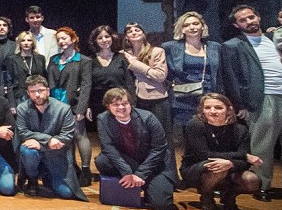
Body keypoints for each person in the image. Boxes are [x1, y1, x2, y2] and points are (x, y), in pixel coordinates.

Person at [222, 5, 282, 207]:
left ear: (259, 17)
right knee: (262, 146)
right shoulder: (233, 45)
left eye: (251, 17)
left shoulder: (278, 36)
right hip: (263, 97)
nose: (249, 21)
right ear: (237, 25)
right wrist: (239, 105)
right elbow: (231, 78)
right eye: (243, 20)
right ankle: (261, 185)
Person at [181, 94, 263, 210]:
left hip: (229, 169)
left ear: (229, 109)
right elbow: (204, 154)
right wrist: (243, 155)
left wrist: (231, 163)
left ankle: (229, 198)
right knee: (217, 167)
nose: (212, 111)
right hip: (197, 169)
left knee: (252, 181)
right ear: (202, 110)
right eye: (207, 107)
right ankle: (207, 197)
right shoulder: (195, 125)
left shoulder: (240, 129)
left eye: (218, 108)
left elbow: (245, 164)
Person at [94, 88, 176, 210]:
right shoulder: (103, 119)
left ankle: (146, 185)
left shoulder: (148, 117)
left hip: (154, 165)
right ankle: (131, 182)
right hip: (130, 161)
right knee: (102, 160)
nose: (121, 107)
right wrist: (127, 172)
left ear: (130, 104)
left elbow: (159, 149)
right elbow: (108, 147)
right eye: (116, 104)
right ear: (108, 107)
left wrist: (140, 174)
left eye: (125, 103)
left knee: (162, 205)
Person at [15, 75, 87, 201]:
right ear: (28, 93)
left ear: (48, 90)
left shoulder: (63, 109)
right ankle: (33, 180)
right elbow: (23, 132)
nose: (37, 95)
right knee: (27, 149)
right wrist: (48, 140)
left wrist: (42, 144)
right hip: (35, 151)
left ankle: (48, 175)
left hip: (56, 154)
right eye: (33, 91)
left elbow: (67, 136)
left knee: (66, 193)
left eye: (40, 90)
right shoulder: (22, 108)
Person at [46, 27, 93, 185]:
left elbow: (86, 85)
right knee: (65, 138)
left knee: (79, 135)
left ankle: (86, 170)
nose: (61, 41)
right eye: (58, 39)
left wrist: (81, 108)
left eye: (64, 38)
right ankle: (72, 167)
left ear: (73, 39)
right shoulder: (53, 59)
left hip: (73, 103)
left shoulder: (83, 60)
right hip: (55, 103)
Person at [161, 11, 224, 128]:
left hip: (210, 99)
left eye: (195, 23)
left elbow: (222, 74)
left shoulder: (215, 47)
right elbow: (164, 73)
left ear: (202, 26)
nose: (192, 27)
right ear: (182, 29)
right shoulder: (170, 47)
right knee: (182, 139)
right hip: (182, 101)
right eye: (186, 25)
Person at [121, 23, 172, 158]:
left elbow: (160, 76)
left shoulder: (157, 51)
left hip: (157, 99)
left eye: (137, 30)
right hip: (134, 100)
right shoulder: (123, 55)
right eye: (129, 31)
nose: (133, 32)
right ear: (126, 37)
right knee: (140, 139)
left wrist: (136, 64)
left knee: (162, 138)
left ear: (144, 34)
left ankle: (167, 174)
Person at [86, 25, 134, 123]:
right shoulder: (89, 61)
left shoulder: (121, 57)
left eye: (107, 36)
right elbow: (87, 86)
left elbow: (130, 83)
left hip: (120, 105)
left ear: (112, 38)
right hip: (97, 105)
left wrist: (132, 104)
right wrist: (87, 106)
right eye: (100, 38)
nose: (104, 40)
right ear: (95, 41)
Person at [0, 32, 47, 110]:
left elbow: (45, 79)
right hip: (20, 97)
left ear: (33, 43)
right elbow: (9, 83)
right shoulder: (12, 59)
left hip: (38, 96)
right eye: (23, 40)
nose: (26, 43)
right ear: (19, 43)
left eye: (29, 40)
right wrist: (12, 104)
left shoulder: (40, 58)